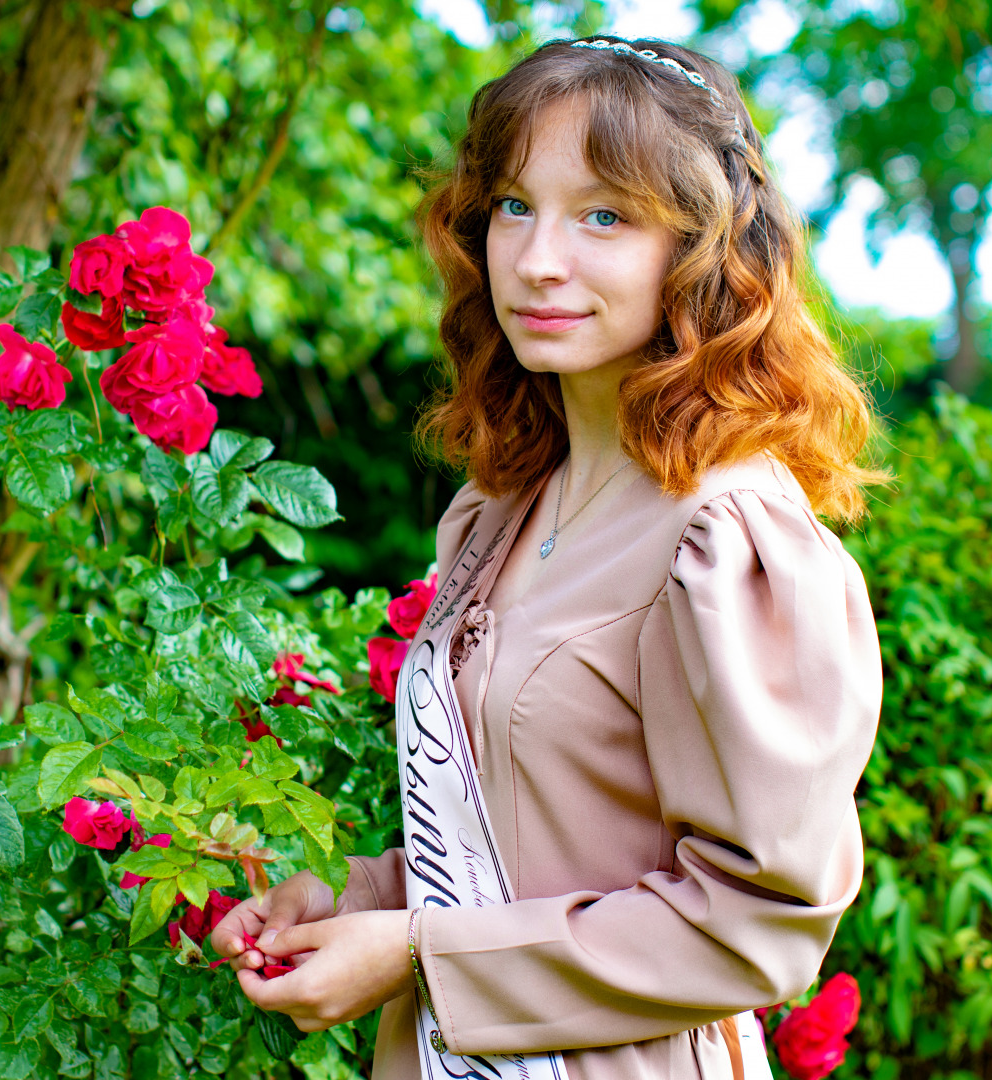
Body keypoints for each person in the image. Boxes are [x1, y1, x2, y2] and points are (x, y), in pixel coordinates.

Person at [213, 35, 884, 1080]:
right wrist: (351, 899)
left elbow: (757, 925)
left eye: (603, 215)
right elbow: (526, 839)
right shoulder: (498, 506)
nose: (535, 259)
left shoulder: (726, 539)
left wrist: (420, 956)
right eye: (514, 205)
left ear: (702, 250)